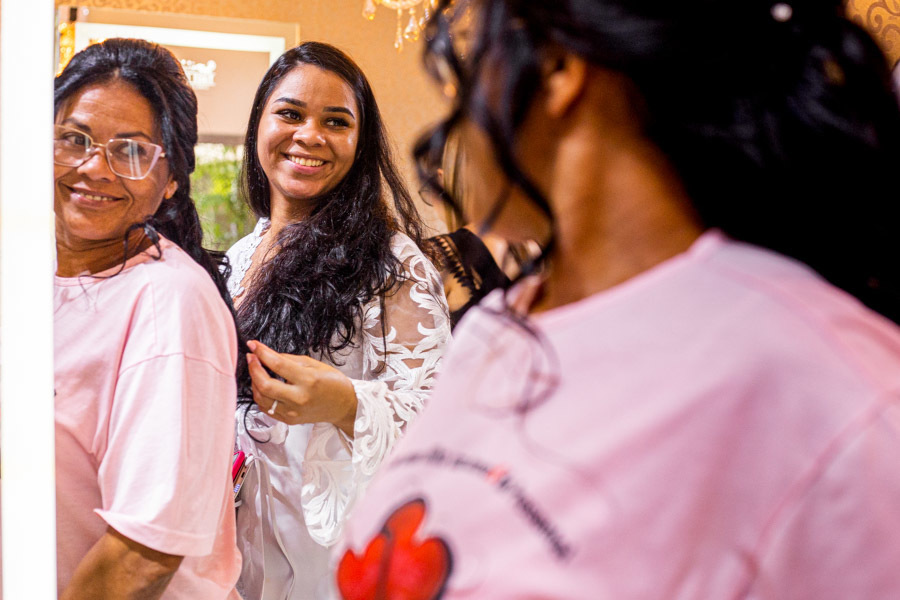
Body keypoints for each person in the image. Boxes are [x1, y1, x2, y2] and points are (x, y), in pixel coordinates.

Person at [334, 1, 900, 598]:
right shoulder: (500, 324)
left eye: (471, 61)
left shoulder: (826, 390)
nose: (457, 110)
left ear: (555, 67)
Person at [226, 42, 450, 598]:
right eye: (290, 114)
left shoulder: (393, 263)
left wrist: (347, 404)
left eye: (336, 122)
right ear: (259, 123)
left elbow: (444, 420)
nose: (310, 136)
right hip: (238, 548)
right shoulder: (236, 259)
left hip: (332, 554)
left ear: (360, 141)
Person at [53, 39, 241, 599]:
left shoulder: (169, 303)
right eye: (74, 139)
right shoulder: (29, 269)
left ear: (171, 180)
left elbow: (142, 557)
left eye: (131, 151)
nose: (94, 168)